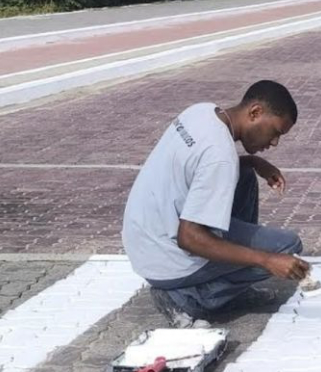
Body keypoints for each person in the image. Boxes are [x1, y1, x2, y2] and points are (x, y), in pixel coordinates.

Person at [122, 80, 309, 328]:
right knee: (286, 248)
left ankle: (231, 285)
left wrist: (252, 163)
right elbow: (188, 237)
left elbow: (199, 167)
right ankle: (186, 298)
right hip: (167, 257)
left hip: (142, 239)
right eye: (275, 132)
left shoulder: (202, 112)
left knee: (244, 177)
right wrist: (266, 260)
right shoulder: (220, 157)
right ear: (255, 113)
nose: (274, 143)